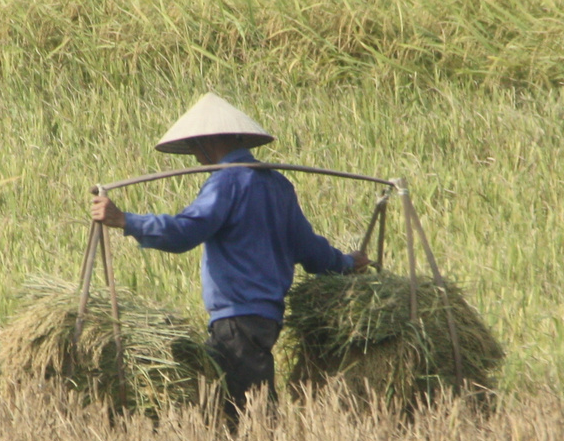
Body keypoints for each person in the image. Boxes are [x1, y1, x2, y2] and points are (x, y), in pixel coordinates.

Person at [91, 93, 368, 423]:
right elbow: (310, 250)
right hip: (266, 319)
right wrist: (346, 263)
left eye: (196, 147)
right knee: (235, 404)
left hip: (237, 320)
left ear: (208, 142)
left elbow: (184, 232)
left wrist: (126, 221)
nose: (195, 155)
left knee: (247, 416)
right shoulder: (279, 186)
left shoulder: (226, 182)